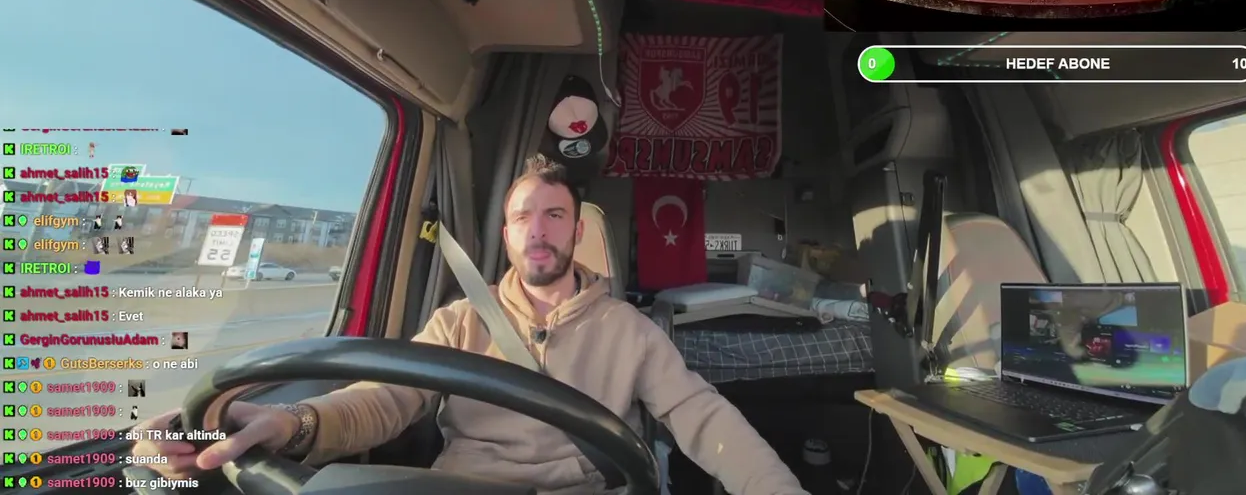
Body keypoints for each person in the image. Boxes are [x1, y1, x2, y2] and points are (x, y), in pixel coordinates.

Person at [132, 155, 807, 495]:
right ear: (506, 235)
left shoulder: (630, 330)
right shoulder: (458, 321)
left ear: (577, 231)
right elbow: (384, 398)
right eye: (522, 217)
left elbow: (703, 419)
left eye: (555, 216)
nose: (538, 231)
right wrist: (292, 422)